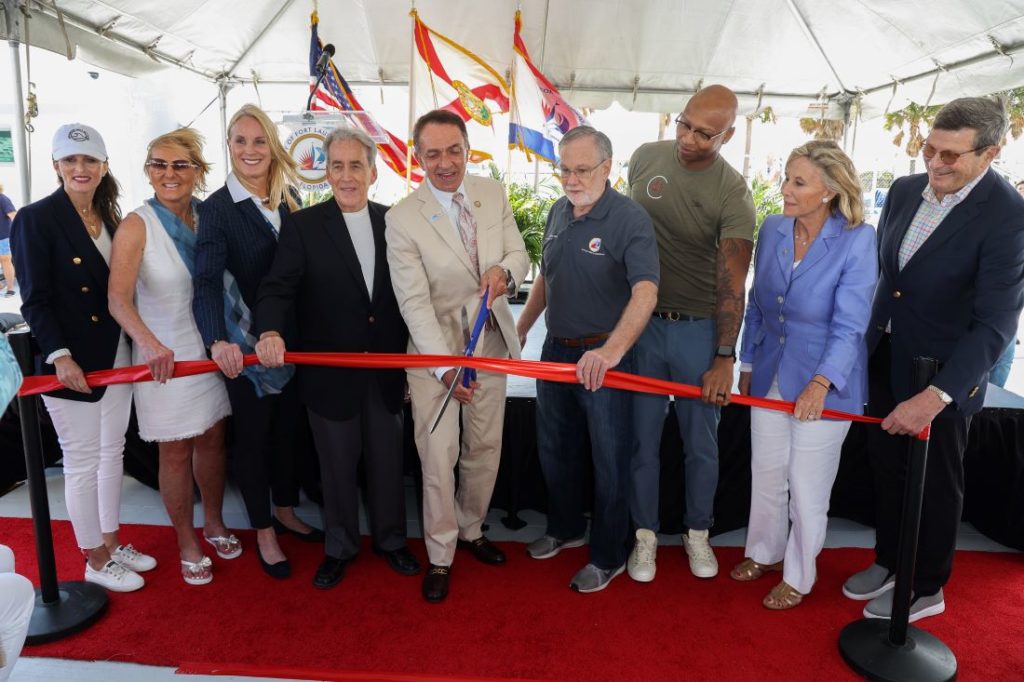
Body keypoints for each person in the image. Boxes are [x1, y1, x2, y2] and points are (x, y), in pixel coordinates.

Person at [843, 96, 1024, 623]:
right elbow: (889, 282)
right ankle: (890, 560)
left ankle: (925, 587)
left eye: (951, 155)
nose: (935, 163)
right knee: (887, 469)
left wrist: (938, 394)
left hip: (945, 376)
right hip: (884, 356)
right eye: (929, 149)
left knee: (936, 483)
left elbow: (995, 325)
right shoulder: (903, 190)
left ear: (990, 152)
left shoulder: (1009, 217)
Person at [254, 127, 420, 589]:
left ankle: (392, 541)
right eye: (337, 166)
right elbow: (277, 288)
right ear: (325, 173)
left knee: (388, 464)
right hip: (329, 376)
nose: (347, 176)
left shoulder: (396, 222)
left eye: (356, 166)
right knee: (336, 468)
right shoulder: (303, 226)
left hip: (385, 371)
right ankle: (340, 548)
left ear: (373, 172)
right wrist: (269, 330)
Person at [386, 109, 529, 603]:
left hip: (490, 344)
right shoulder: (402, 218)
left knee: (485, 447)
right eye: (433, 154)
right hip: (436, 354)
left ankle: (471, 529)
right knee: (438, 455)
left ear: (468, 149)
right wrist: (446, 369)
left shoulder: (493, 193)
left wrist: (504, 273)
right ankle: (441, 553)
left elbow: (519, 254)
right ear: (418, 156)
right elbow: (413, 304)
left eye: (453, 151)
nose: (445, 163)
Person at [10, 122, 154, 592]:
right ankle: (93, 557)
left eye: (89, 159)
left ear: (104, 166)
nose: (80, 168)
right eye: (70, 160)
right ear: (55, 165)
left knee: (113, 452)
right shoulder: (36, 218)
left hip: (116, 355)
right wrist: (60, 356)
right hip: (72, 362)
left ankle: (111, 542)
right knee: (82, 459)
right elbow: (34, 299)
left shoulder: (108, 217)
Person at [733, 141, 877, 609]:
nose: (785, 190)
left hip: (827, 383)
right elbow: (757, 304)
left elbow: (851, 325)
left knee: (807, 485)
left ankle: (799, 574)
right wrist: (747, 363)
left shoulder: (858, 239)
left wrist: (821, 383)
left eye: (799, 182)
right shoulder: (773, 228)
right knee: (766, 473)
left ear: (830, 190)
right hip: (769, 372)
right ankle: (764, 552)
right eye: (786, 178)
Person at [517, 126, 659, 593]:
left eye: (581, 170)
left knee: (610, 459)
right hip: (555, 352)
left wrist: (611, 351)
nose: (571, 179)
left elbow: (646, 291)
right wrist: (521, 327)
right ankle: (565, 529)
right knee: (555, 449)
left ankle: (608, 555)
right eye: (564, 170)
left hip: (605, 357)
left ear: (607, 168)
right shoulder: (558, 210)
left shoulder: (630, 218)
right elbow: (547, 276)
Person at [625, 85, 755, 581]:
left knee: (701, 444)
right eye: (684, 124)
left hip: (698, 330)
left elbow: (733, 286)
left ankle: (697, 532)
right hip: (641, 325)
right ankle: (644, 536)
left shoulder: (733, 193)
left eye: (705, 134)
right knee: (642, 441)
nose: (688, 138)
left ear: (728, 136)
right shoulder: (645, 157)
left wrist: (724, 356)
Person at [193, 104, 322, 580]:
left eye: (259, 140)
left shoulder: (289, 197)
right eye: (240, 141)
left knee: (288, 432)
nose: (250, 150)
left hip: (292, 343)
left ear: (273, 146)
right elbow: (206, 283)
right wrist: (215, 341)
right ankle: (264, 530)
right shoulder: (216, 209)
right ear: (229, 146)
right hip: (244, 347)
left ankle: (285, 509)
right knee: (254, 440)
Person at [108, 128, 236, 585]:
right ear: (148, 171)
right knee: (176, 451)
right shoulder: (137, 225)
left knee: (213, 439)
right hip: (162, 358)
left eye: (180, 164)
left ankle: (215, 523)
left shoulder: (209, 216)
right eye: (158, 164)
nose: (169, 173)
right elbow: (118, 299)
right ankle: (186, 540)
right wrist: (149, 343)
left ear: (198, 171)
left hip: (211, 350)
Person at [989, 180, 1024, 387]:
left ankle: (991, 398)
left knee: (1003, 358)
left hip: (1011, 301)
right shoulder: (1004, 217)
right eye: (1020, 191)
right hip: (993, 299)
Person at [0, 184, 16, 297]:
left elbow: (14, 215)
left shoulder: (2, 199)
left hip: (3, 236)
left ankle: (10, 289)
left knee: (5, 260)